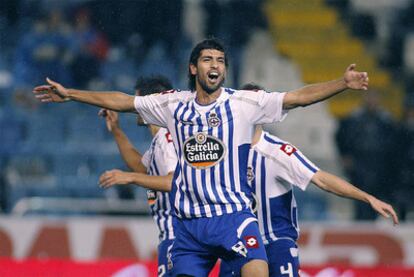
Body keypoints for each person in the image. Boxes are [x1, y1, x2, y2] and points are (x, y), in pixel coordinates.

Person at [33, 38, 369, 277]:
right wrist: (72, 94)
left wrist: (342, 82)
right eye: (208, 60)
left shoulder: (243, 103)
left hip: (233, 217)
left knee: (257, 272)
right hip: (189, 226)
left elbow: (297, 97)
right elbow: (122, 101)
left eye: (221, 61)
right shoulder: (173, 104)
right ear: (194, 68)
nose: (216, 66)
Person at [216, 84, 398, 277]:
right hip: (240, 245)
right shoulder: (222, 152)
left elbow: (321, 179)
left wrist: (368, 198)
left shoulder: (277, 152)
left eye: (257, 103)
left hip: (275, 244)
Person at [99, 75, 177, 276]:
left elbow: (172, 182)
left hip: (178, 238)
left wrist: (129, 178)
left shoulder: (168, 140)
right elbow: (141, 168)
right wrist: (116, 130)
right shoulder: (160, 140)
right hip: (170, 236)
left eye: (137, 103)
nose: (134, 109)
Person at [335, 89, 395, 221]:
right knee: (359, 198)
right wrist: (345, 155)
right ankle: (361, 225)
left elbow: (393, 144)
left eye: (374, 98)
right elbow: (341, 137)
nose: (372, 101)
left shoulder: (385, 121)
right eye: (369, 98)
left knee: (377, 197)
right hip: (359, 164)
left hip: (379, 166)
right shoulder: (353, 119)